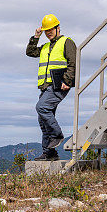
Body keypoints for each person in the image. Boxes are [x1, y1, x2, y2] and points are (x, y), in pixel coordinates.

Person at [25, 14, 76, 161]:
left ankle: (57, 135)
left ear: (58, 28)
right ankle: (50, 153)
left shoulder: (67, 42)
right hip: (46, 87)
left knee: (41, 108)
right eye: (46, 30)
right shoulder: (46, 46)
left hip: (59, 85)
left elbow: (73, 62)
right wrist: (36, 36)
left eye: (51, 29)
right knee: (43, 119)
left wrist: (67, 81)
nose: (48, 32)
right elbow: (30, 52)